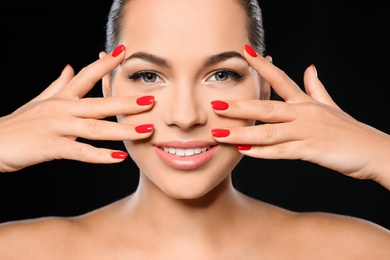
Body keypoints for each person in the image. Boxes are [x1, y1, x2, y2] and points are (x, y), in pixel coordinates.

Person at [0, 0, 390, 258]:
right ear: (108, 86)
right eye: (149, 75)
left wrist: (379, 154)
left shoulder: (357, 250)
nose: (185, 117)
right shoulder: (22, 251)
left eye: (221, 74)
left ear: (263, 85)